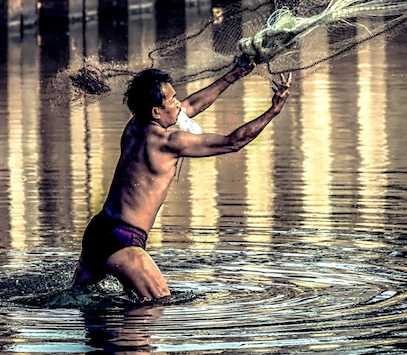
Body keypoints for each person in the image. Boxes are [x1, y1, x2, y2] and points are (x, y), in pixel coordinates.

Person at [70, 63, 291, 301]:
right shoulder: (168, 142)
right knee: (163, 302)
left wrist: (235, 73)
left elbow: (192, 105)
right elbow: (232, 142)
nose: (179, 103)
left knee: (76, 301)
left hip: (99, 231)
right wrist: (273, 112)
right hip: (124, 241)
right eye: (173, 99)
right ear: (156, 112)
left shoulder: (134, 126)